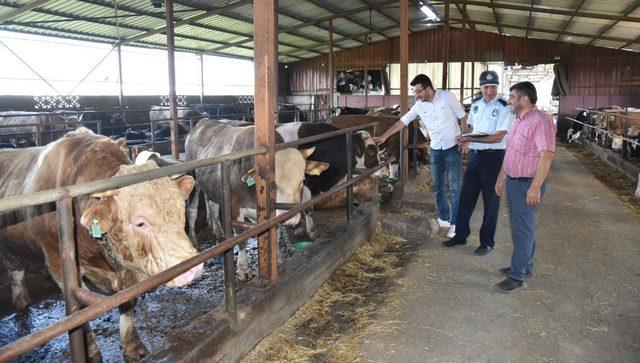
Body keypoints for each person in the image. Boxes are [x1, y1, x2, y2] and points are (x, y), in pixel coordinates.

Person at [373, 74, 467, 237]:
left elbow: (462, 116)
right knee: (438, 187)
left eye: (418, 91)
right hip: (436, 149)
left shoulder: (447, 97)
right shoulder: (419, 105)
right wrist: (385, 136)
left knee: (454, 186)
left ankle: (456, 222)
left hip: (453, 147)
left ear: (428, 89)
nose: (416, 95)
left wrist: (464, 138)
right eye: (414, 92)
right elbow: (402, 122)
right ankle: (444, 217)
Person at [442, 70, 514, 255]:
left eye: (493, 87)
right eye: (486, 87)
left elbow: (499, 137)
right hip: (475, 157)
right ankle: (460, 235)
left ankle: (487, 242)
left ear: (497, 87)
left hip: (494, 158)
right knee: (466, 198)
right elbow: (472, 127)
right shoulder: (475, 105)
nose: (489, 90)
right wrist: (464, 137)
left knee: (491, 202)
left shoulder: (505, 106)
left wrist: (471, 140)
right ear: (480, 87)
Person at [494, 81, 556, 293]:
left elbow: (546, 155)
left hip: (527, 183)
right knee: (521, 227)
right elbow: (510, 151)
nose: (509, 100)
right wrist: (502, 176)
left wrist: (535, 187)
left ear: (524, 99)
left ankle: (517, 277)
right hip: (513, 180)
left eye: (512, 97)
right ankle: (525, 265)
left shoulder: (541, 121)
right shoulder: (518, 120)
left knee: (522, 230)